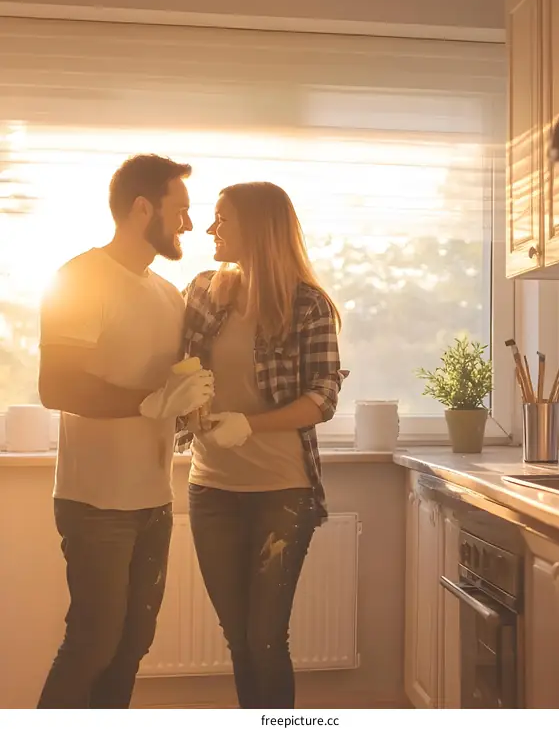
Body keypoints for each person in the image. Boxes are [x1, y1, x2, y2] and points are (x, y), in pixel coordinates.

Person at [36, 154, 214, 709]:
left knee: (133, 642)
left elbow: (168, 395)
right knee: (92, 642)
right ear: (143, 208)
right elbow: (57, 388)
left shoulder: (167, 293)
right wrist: (153, 402)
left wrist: (190, 407)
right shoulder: (80, 278)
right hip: (95, 502)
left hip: (151, 500)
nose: (188, 223)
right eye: (180, 209)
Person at [176, 181, 344, 709]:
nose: (210, 229)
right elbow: (177, 369)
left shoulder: (307, 305)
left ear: (258, 226)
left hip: (282, 492)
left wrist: (248, 423)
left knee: (265, 640)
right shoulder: (204, 291)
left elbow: (324, 396)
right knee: (238, 638)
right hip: (212, 489)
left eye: (222, 219)